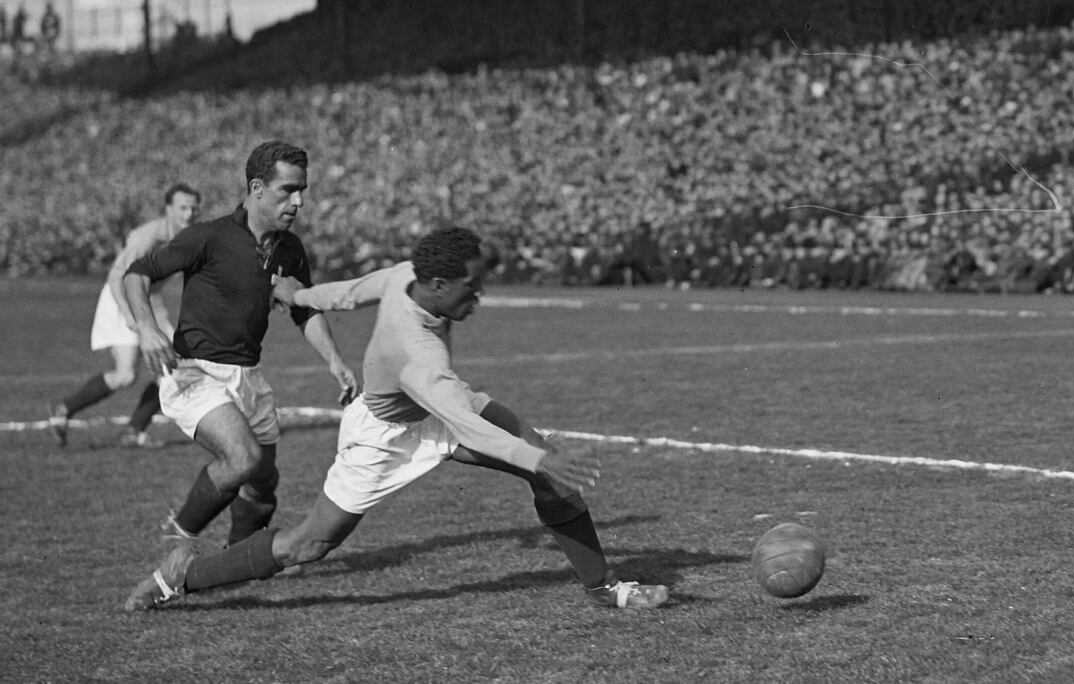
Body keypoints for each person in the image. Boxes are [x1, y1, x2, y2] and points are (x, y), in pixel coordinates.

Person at [124, 227, 669, 611]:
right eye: (472, 287)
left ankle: (604, 587)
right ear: (439, 286)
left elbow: (351, 293)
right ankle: (181, 577)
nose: (480, 295)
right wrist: (539, 458)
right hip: (384, 435)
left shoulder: (409, 274)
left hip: (441, 407)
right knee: (308, 545)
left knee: (544, 468)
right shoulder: (418, 355)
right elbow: (468, 426)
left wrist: (300, 293)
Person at [121, 140, 359, 550]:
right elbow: (137, 273)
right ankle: (174, 543)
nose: (299, 202)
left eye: (302, 190)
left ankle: (235, 566)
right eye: (289, 190)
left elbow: (304, 309)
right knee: (242, 459)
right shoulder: (208, 237)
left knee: (263, 487)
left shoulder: (289, 249)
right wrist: (146, 327)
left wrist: (335, 361)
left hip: (248, 375)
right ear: (257, 189)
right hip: (194, 373)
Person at [48, 183, 202, 449]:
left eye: (193, 209)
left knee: (173, 367)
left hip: (149, 301)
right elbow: (117, 277)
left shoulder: (190, 238)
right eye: (182, 208)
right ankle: (63, 409)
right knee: (126, 375)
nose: (188, 214)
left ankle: (133, 431)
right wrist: (133, 319)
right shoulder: (148, 237)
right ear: (168, 209)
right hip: (121, 299)